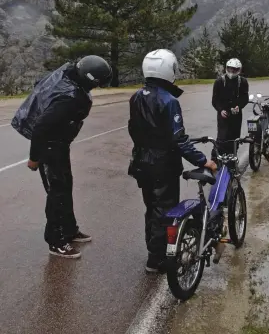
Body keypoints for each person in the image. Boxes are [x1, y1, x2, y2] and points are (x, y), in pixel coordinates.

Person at [11, 55, 112, 259]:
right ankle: (56, 241)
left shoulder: (68, 75)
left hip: (58, 145)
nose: (97, 88)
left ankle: (69, 229)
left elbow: (40, 84)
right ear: (89, 79)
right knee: (57, 193)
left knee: (65, 186)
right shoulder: (68, 98)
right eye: (97, 84)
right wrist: (34, 158)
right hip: (49, 148)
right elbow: (41, 128)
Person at [128, 49, 217, 274]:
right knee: (164, 211)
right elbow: (179, 139)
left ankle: (153, 250)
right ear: (168, 70)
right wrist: (203, 160)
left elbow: (134, 130)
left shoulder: (137, 96)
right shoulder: (169, 101)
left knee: (151, 208)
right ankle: (158, 258)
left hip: (141, 162)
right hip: (162, 165)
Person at [211, 58, 249, 160]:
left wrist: (239, 106)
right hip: (223, 114)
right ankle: (215, 161)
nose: (232, 72)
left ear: (239, 70)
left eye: (235, 70)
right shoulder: (219, 82)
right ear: (226, 68)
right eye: (230, 69)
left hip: (236, 114)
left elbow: (245, 98)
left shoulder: (243, 82)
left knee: (234, 139)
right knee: (221, 139)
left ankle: (232, 162)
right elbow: (214, 100)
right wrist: (220, 110)